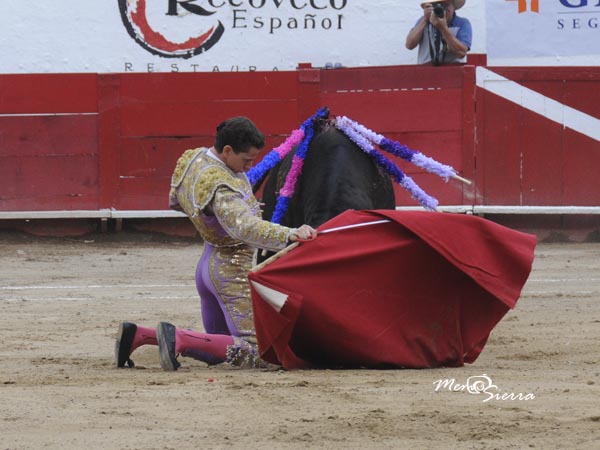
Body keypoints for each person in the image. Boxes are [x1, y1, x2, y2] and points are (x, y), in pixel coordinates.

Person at [114, 117, 317, 370]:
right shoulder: (220, 184)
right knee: (258, 351)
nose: (247, 167)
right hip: (230, 272)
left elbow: (176, 201)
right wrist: (289, 234)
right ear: (228, 150)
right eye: (246, 160)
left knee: (218, 347)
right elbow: (243, 227)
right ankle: (180, 337)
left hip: (206, 267)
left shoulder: (194, 159)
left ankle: (140, 335)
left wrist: (220, 214)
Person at [405, 0, 472, 66]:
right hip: (426, 73)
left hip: (452, 73)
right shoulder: (423, 21)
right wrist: (425, 20)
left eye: (446, 5)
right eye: (438, 5)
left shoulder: (462, 23)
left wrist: (443, 29)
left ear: (453, 7)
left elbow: (461, 53)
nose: (442, 9)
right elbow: (409, 45)